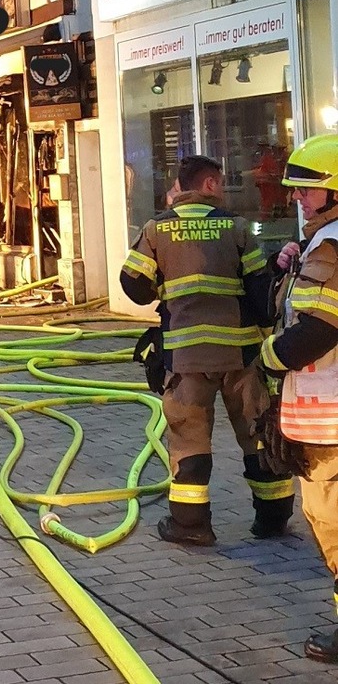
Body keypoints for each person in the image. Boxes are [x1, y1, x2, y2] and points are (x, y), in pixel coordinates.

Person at [121, 154, 291, 546]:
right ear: (210, 184)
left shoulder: (156, 229)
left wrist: (164, 285)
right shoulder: (237, 227)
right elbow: (259, 290)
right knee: (258, 435)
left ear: (181, 186)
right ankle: (272, 520)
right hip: (241, 355)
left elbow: (133, 284)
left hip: (186, 358)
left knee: (189, 439)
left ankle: (191, 526)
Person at [256, 135, 338, 663]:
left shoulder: (331, 247)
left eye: (309, 190)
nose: (297, 199)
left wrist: (266, 356)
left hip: (332, 421)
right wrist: (288, 264)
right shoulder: (321, 242)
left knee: (332, 520)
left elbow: (315, 332)